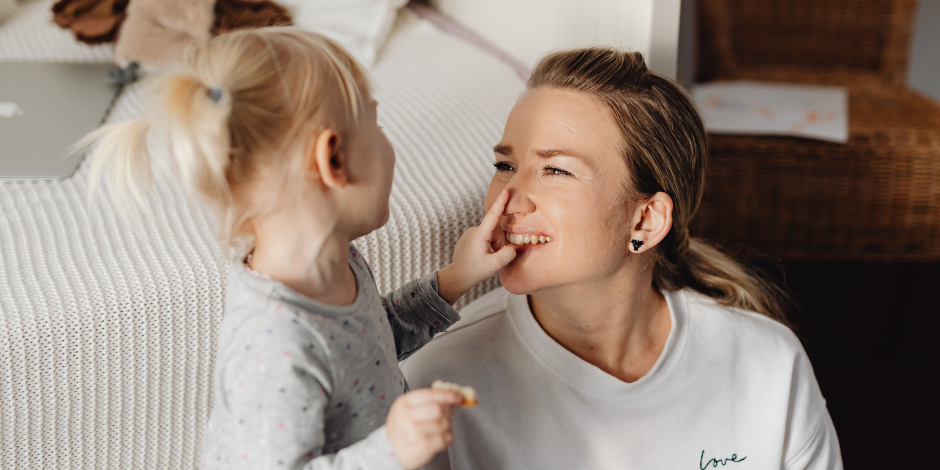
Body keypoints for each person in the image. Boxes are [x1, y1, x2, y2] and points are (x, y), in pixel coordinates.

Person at [78, 28, 517, 470]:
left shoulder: (336, 263)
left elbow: (368, 347)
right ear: (333, 161)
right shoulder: (272, 344)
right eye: (375, 123)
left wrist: (457, 276)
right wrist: (391, 450)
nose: (388, 142)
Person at [403, 48, 843, 469]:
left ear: (645, 221)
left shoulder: (768, 365)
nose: (508, 200)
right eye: (505, 166)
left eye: (556, 169)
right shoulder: (437, 378)